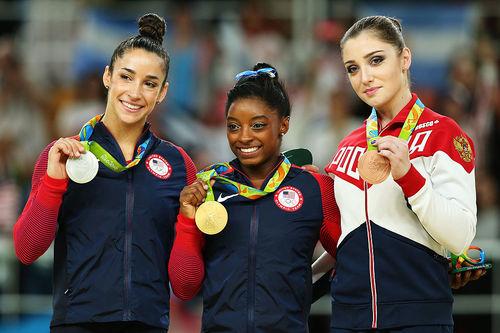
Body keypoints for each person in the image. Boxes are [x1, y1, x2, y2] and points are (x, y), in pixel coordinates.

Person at [13, 13, 197, 333]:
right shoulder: (64, 154)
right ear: (107, 76)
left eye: (149, 83)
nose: (135, 93)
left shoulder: (179, 165)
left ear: (163, 92)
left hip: (148, 323)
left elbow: (185, 287)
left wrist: (188, 221)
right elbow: (27, 250)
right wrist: (55, 182)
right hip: (78, 323)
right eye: (126, 77)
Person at [321, 15, 479, 332]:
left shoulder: (443, 133)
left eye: (376, 60)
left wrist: (410, 178)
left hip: (417, 319)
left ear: (404, 58)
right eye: (353, 68)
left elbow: (461, 235)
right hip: (348, 319)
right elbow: (347, 242)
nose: (364, 77)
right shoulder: (347, 145)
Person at [168, 63, 341, 332]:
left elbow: (350, 257)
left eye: (258, 125)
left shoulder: (314, 188)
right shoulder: (209, 188)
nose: (244, 137)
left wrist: (306, 291)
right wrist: (187, 220)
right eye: (234, 126)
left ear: (284, 124)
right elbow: (184, 286)